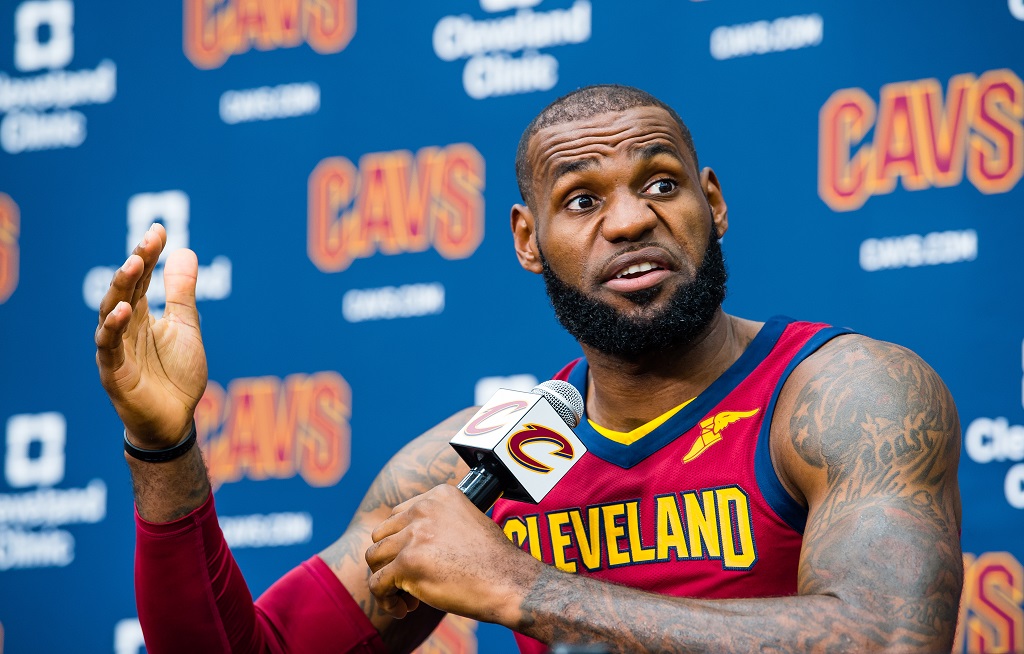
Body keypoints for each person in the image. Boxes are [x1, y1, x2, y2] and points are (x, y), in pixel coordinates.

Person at [94, 84, 963, 653]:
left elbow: (889, 640)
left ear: (714, 203)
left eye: (662, 185)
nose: (631, 221)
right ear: (527, 240)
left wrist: (523, 588)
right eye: (581, 200)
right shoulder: (481, 465)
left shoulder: (843, 393)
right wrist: (162, 450)